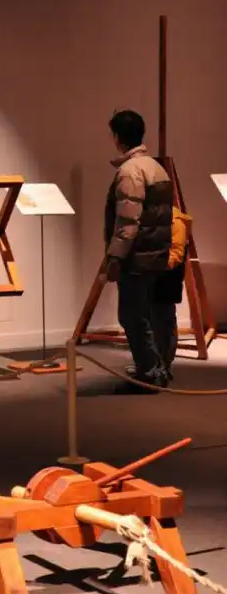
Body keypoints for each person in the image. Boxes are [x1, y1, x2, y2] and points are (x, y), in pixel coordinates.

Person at [103, 109, 174, 388]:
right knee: (154, 314)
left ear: (117, 137)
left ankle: (149, 371)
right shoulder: (156, 167)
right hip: (157, 253)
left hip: (138, 256)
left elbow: (128, 220)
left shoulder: (130, 171)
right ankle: (159, 367)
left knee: (133, 315)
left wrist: (115, 257)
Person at [126, 206, 191, 383]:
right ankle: (150, 365)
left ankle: (163, 367)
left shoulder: (176, 222)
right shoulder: (146, 217)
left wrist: (154, 263)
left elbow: (176, 254)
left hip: (165, 278)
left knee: (163, 323)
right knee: (147, 322)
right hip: (149, 275)